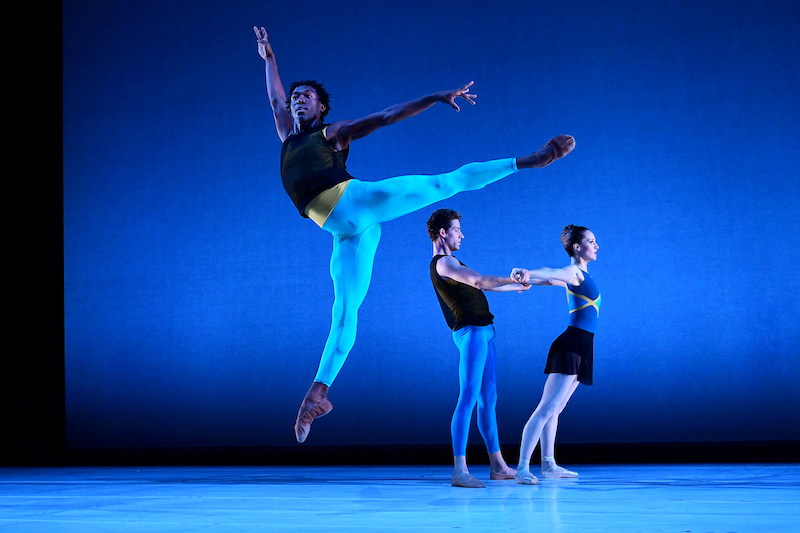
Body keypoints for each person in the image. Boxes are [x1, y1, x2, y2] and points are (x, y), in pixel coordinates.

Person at [254, 26, 576, 443]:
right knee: (344, 312)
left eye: (307, 96)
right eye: (296, 96)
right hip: (346, 230)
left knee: (444, 184)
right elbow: (275, 98)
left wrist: (434, 98)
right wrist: (269, 59)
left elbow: (387, 116)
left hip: (354, 202)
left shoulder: (331, 134)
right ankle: (318, 394)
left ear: (321, 109)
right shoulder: (286, 135)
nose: (297, 100)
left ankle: (531, 159)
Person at [428, 209, 531, 488]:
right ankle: (459, 471)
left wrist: (517, 287)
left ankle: (498, 466)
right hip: (471, 333)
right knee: (469, 397)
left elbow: (482, 288)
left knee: (488, 399)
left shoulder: (454, 262)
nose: (462, 234)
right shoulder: (443, 263)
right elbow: (480, 281)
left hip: (485, 333)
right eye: (457, 229)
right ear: (443, 233)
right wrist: (512, 279)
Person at [510, 225, 600, 484]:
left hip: (584, 344)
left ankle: (548, 464)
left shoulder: (580, 275)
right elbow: (552, 272)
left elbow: (550, 280)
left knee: (556, 409)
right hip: (571, 344)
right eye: (591, 241)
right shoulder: (574, 271)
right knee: (546, 408)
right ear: (576, 247)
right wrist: (529, 272)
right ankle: (522, 468)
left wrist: (528, 279)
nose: (596, 246)